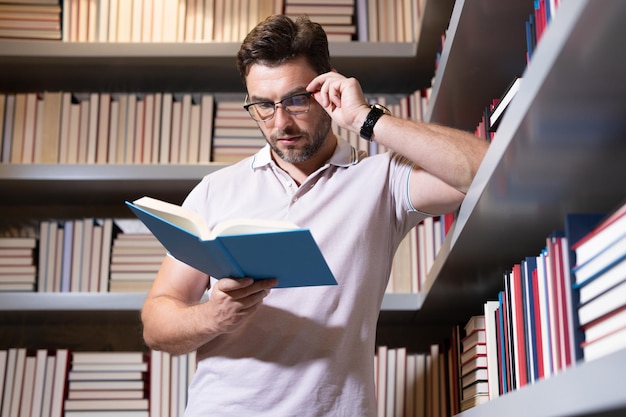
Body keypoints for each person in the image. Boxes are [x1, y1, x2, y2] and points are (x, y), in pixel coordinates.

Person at [141, 14, 489, 417]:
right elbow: (156, 323)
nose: (280, 123)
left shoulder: (382, 180)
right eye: (263, 106)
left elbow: (483, 169)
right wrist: (214, 316)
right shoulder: (214, 191)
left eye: (294, 100)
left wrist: (366, 119)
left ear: (327, 88)